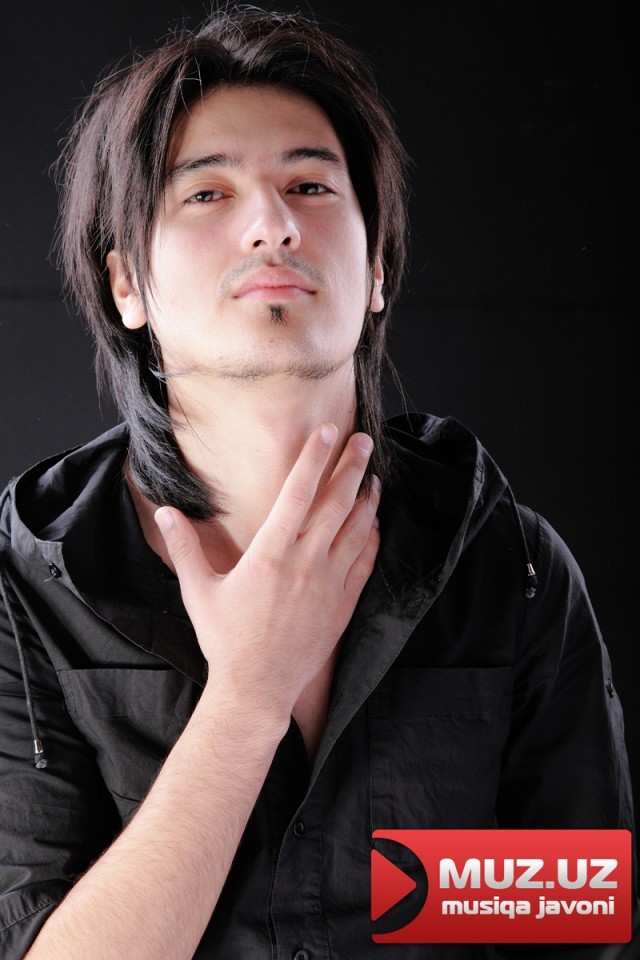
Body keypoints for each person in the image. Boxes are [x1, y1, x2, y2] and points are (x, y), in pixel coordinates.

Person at [0, 6, 636, 959]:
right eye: (207, 194)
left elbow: (574, 929)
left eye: (308, 185)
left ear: (376, 267)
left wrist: (423, 896)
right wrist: (247, 699)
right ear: (127, 284)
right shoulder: (27, 587)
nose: (274, 225)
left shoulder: (513, 568)